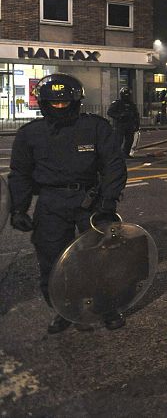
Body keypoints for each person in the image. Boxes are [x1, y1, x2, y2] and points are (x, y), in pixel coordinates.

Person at [8, 74, 127, 333]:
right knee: (52, 261)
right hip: (51, 202)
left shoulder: (95, 127)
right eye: (54, 103)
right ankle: (64, 310)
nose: (59, 107)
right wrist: (18, 208)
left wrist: (108, 199)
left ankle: (107, 308)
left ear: (76, 102)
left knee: (100, 256)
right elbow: (20, 174)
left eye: (65, 103)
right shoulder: (30, 134)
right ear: (43, 103)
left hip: (91, 201)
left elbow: (113, 164)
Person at [107, 86, 140, 158]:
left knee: (129, 140)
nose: (127, 97)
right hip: (120, 125)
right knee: (118, 140)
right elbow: (109, 112)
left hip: (129, 125)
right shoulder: (117, 103)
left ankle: (126, 153)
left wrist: (137, 125)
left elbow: (136, 115)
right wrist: (119, 116)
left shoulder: (132, 105)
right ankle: (116, 154)